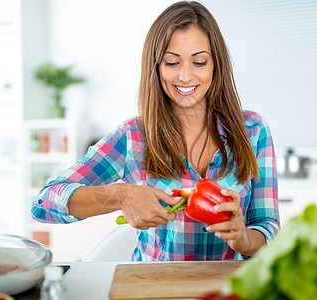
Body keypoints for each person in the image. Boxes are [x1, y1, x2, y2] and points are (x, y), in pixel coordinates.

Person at [32, 1, 279, 261]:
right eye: (172, 62)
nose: (185, 76)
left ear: (216, 65)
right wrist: (121, 195)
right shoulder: (133, 137)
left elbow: (268, 226)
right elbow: (43, 203)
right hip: (155, 286)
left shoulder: (252, 131)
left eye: (199, 61)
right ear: (156, 66)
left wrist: (244, 240)